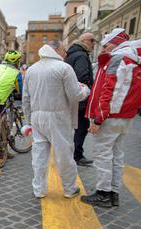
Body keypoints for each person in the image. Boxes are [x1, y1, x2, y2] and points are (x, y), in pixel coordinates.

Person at [81, 29, 141, 208]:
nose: (103, 48)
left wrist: (98, 118)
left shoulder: (117, 59)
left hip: (110, 117)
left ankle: (103, 193)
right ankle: (114, 192)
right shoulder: (133, 61)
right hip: (124, 116)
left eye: (106, 45)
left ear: (116, 43)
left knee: (102, 154)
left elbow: (109, 91)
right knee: (117, 155)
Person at [22, 40, 90, 199]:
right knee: (64, 154)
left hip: (37, 117)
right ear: (57, 50)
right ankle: (69, 188)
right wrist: (85, 90)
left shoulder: (32, 70)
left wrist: (28, 121)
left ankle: (39, 189)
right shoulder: (64, 68)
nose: (66, 53)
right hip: (58, 116)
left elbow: (26, 98)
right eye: (64, 50)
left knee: (39, 155)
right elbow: (75, 95)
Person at [65, 32, 96, 166]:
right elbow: (82, 77)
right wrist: (87, 90)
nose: (94, 44)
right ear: (84, 41)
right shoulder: (82, 56)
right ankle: (77, 155)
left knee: (73, 127)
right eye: (92, 40)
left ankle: (72, 153)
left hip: (71, 97)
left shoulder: (71, 55)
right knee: (82, 127)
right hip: (80, 98)